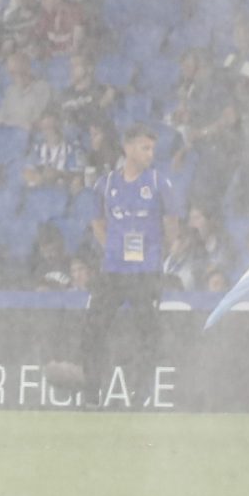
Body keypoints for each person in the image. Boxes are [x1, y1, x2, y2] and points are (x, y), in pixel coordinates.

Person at [73, 126, 179, 400]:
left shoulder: (158, 183)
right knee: (93, 330)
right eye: (145, 147)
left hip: (145, 274)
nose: (150, 154)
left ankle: (140, 395)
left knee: (147, 334)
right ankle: (91, 395)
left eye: (152, 148)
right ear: (128, 148)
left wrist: (157, 254)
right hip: (113, 272)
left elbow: (171, 225)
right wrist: (112, 247)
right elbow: (97, 222)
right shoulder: (106, 184)